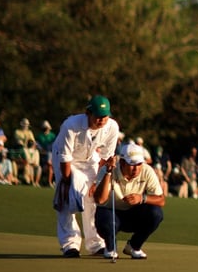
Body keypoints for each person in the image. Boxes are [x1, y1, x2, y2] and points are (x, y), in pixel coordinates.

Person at [51, 95, 120, 258]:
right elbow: (65, 159)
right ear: (88, 113)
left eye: (105, 116)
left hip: (90, 159)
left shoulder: (112, 127)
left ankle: (96, 244)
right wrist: (66, 183)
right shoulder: (70, 126)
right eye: (98, 116)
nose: (102, 120)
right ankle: (70, 244)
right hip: (66, 159)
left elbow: (106, 157)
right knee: (69, 198)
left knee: (92, 199)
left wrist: (97, 182)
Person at [91, 142, 164, 260]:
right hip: (110, 213)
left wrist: (142, 198)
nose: (136, 168)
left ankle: (134, 246)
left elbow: (161, 200)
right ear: (122, 162)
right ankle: (110, 247)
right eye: (132, 164)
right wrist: (108, 173)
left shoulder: (147, 171)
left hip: (133, 215)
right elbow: (100, 199)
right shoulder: (107, 170)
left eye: (139, 163)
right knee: (105, 219)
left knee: (156, 213)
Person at [35, 121, 56, 187]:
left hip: (50, 153)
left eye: (46, 128)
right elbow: (37, 144)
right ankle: (37, 182)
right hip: (42, 153)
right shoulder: (40, 135)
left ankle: (49, 182)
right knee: (42, 166)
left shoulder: (52, 136)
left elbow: (54, 145)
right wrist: (41, 149)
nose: (45, 129)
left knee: (50, 166)